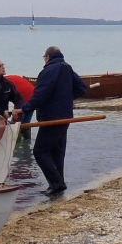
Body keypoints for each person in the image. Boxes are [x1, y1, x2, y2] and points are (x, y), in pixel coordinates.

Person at [21, 46, 87, 196]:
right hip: (65, 115)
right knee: (57, 151)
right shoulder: (67, 68)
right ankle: (57, 184)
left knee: (40, 151)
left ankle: (57, 184)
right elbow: (82, 88)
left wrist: (25, 109)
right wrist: (66, 99)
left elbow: (40, 95)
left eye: (44, 58)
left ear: (48, 57)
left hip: (51, 118)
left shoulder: (47, 71)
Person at [5, 72, 36, 140]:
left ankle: (18, 141)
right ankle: (27, 140)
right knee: (25, 121)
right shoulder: (10, 77)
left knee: (18, 122)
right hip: (32, 94)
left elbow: (4, 99)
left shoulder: (2, 82)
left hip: (26, 97)